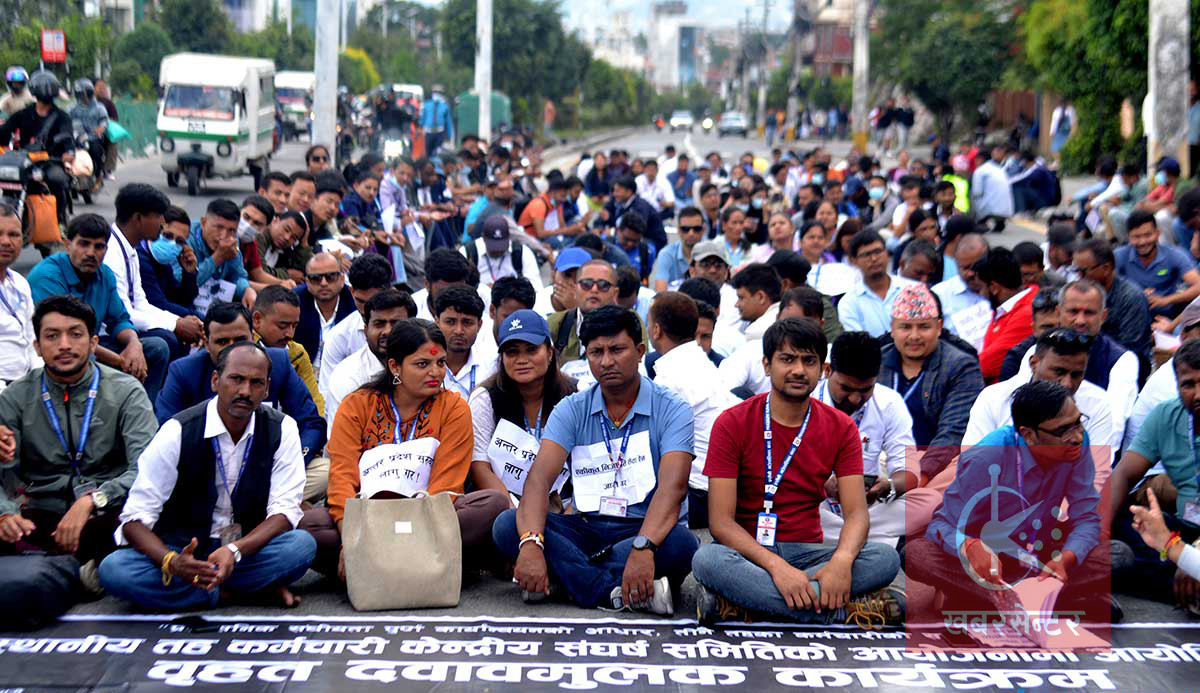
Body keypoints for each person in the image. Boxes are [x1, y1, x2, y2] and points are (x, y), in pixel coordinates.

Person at [692, 319, 902, 625]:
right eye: (787, 359)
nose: (799, 370)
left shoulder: (841, 428)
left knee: (885, 559)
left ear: (821, 369)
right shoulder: (732, 422)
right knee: (707, 560)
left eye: (809, 361)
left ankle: (745, 605)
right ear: (767, 365)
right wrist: (778, 569)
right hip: (749, 554)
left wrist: (842, 562)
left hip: (810, 551)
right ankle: (837, 609)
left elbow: (856, 513)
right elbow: (721, 523)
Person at [496, 306, 698, 612]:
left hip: (643, 528)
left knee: (683, 545)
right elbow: (538, 481)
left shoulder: (672, 409)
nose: (606, 362)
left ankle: (566, 578)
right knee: (507, 524)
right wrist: (532, 542)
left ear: (640, 350)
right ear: (586, 356)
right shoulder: (572, 408)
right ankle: (614, 592)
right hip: (585, 528)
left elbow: (674, 489)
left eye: (617, 350)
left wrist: (643, 547)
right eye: (596, 352)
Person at [98, 342, 316, 610]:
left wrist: (234, 551)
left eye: (256, 383)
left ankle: (197, 592)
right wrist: (171, 562)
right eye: (236, 379)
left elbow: (284, 512)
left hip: (243, 550)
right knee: (115, 569)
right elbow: (134, 520)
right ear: (216, 380)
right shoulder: (177, 431)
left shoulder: (282, 428)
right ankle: (243, 594)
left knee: (301, 547)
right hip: (182, 549)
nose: (245, 391)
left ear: (267, 388)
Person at [307, 319, 509, 579]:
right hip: (368, 519)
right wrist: (351, 538)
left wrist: (406, 527)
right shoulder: (356, 406)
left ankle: (375, 570)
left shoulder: (454, 408)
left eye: (441, 362)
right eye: (422, 364)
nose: (436, 373)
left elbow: (446, 487)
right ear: (394, 366)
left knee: (493, 504)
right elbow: (342, 478)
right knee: (309, 526)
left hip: (430, 520)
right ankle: (427, 569)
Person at [0, 296, 157, 627]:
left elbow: (146, 470)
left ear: (94, 342)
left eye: (75, 334)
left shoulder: (126, 391)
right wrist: (5, 513)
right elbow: (3, 474)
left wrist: (91, 500)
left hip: (105, 513)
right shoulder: (15, 397)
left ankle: (58, 573)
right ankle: (75, 575)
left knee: (142, 533)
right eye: (52, 336)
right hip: (38, 514)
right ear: (37, 346)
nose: (65, 345)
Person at [906, 381, 1111, 623]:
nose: (1077, 437)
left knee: (1115, 554)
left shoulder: (1076, 445)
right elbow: (941, 526)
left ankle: (993, 601)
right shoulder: (987, 455)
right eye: (1063, 430)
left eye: (1079, 422)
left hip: (1042, 556)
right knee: (916, 554)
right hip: (989, 563)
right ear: (1028, 435)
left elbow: (1086, 517)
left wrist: (1068, 557)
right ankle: (1052, 600)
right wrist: (969, 546)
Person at [155, 302, 327, 503]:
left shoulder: (278, 363)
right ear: (206, 342)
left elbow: (312, 423)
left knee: (325, 472)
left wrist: (293, 462)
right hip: (206, 475)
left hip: (270, 467)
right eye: (222, 341)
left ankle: (273, 504)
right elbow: (167, 429)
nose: (233, 348)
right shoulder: (184, 372)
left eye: (240, 339)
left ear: (253, 336)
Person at [878, 284, 984, 533]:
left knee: (960, 472)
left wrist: (917, 478)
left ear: (939, 327)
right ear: (892, 329)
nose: (914, 336)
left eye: (923, 327)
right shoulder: (877, 362)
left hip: (933, 466)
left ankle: (882, 521)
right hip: (882, 461)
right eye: (905, 327)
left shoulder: (961, 366)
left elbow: (951, 434)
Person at [29, 214, 169, 402]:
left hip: (93, 345)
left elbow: (119, 319)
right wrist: (121, 361)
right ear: (67, 245)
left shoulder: (104, 274)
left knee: (157, 348)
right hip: (61, 349)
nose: (91, 253)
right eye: (84, 244)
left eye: (99, 247)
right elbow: (68, 335)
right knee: (88, 362)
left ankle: (145, 416)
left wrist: (134, 345)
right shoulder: (48, 276)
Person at [966, 329, 1118, 475]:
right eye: (1059, 372)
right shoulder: (993, 399)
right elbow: (972, 467)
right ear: (1034, 363)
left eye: (1077, 375)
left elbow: (1096, 477)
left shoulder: (1099, 405)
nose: (1067, 383)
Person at [817, 332, 916, 546]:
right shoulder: (806, 399)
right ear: (827, 371)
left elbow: (909, 471)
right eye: (846, 388)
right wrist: (822, 485)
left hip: (870, 508)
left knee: (929, 502)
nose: (855, 399)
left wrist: (888, 486)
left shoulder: (889, 403)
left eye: (865, 390)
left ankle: (853, 537)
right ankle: (867, 541)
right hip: (818, 506)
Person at [649, 292, 736, 531]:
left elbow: (653, 447)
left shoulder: (669, 378)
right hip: (719, 491)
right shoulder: (702, 363)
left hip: (696, 498)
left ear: (656, 330)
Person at [468, 310, 577, 502]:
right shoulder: (485, 399)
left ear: (550, 353)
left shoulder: (575, 395)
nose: (521, 360)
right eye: (512, 352)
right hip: (506, 506)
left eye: (531, 349)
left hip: (565, 505)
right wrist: (514, 513)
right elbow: (480, 467)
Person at [1014, 281, 1138, 446]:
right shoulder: (1035, 352)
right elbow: (1019, 404)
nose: (1080, 320)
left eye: (1089, 313)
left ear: (1103, 317)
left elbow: (1113, 430)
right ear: (1058, 313)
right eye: (1073, 311)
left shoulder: (1122, 361)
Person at [105, 184, 204, 361]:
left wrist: (179, 322)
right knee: (164, 342)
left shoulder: (131, 249)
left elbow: (141, 303)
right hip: (107, 333)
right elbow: (124, 313)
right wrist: (176, 324)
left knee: (173, 334)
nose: (161, 224)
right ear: (138, 218)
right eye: (158, 217)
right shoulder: (111, 252)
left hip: (128, 325)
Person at [324, 289, 416, 434]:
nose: (387, 331)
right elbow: (340, 445)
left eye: (396, 323)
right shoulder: (347, 376)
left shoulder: (430, 366)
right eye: (379, 324)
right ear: (366, 330)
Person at [316, 254, 399, 396]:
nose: (366, 310)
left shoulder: (415, 328)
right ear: (351, 291)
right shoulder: (338, 336)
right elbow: (327, 392)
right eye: (360, 301)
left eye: (374, 302)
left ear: (391, 292)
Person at [0, 71, 73, 218]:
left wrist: (68, 154)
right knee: (7, 179)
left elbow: (68, 139)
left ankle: (59, 221)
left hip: (50, 161)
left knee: (57, 179)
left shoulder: (61, 117)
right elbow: (5, 132)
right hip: (25, 161)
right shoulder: (24, 114)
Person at [1071, 237, 1153, 362]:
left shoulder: (1131, 298)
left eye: (1083, 271)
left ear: (1106, 269)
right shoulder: (1081, 292)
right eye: (1076, 271)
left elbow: (1130, 351)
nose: (1079, 277)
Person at [252, 286, 323, 414]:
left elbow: (313, 403)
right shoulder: (239, 350)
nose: (289, 334)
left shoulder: (297, 353)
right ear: (257, 319)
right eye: (282, 326)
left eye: (294, 326)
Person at [1116, 210, 1200, 318]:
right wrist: (1135, 293)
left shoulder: (1174, 254)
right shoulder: (1119, 256)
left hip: (1168, 315)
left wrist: (1166, 300)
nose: (1143, 241)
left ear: (1157, 233)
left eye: (1148, 235)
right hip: (1132, 314)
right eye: (1136, 237)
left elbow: (1198, 286)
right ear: (1129, 237)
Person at [976, 247, 1038, 382]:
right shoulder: (1006, 307)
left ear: (994, 288)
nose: (980, 294)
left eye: (981, 288)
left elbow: (986, 365)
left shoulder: (1027, 312)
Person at [838, 230, 915, 338]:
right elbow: (861, 344)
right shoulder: (848, 303)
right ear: (853, 261)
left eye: (878, 251)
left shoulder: (913, 290)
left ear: (887, 253)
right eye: (866, 255)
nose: (874, 259)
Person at [546, 259, 623, 364]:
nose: (594, 289)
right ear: (575, 289)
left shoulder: (629, 323)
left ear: (615, 293)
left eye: (603, 285)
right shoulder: (555, 323)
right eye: (586, 284)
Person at [188, 199, 255, 314]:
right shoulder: (187, 239)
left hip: (215, 304)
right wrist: (218, 258)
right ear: (203, 223)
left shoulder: (232, 239)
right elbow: (183, 285)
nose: (224, 235)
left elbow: (238, 274)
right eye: (219, 227)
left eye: (231, 230)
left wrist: (246, 289)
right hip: (186, 305)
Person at [294, 253, 356, 370]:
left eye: (331, 276)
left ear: (342, 279)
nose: (323, 283)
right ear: (307, 282)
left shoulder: (354, 302)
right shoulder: (294, 301)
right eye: (315, 278)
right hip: (304, 375)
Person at [434, 286, 497, 399]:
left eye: (467, 322)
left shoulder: (493, 366)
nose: (458, 331)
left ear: (479, 325)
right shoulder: (421, 365)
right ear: (437, 322)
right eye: (450, 322)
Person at [138, 205, 200, 318]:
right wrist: (197, 318)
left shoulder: (164, 264)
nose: (172, 243)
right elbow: (158, 304)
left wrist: (189, 273)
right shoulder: (140, 257)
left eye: (179, 241)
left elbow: (182, 299)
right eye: (168, 236)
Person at [0, 203, 37, 385]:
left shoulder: (20, 283)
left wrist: (41, 382)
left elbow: (31, 339)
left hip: (24, 384)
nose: (6, 242)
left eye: (13, 234)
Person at [998, 290, 1062, 381]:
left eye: (1061, 326)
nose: (1055, 333)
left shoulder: (1084, 351)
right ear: (1034, 329)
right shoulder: (1016, 359)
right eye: (1048, 328)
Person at [463, 216, 542, 289]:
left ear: (509, 238)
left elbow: (536, 288)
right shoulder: (468, 252)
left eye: (501, 246)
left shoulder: (522, 253)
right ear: (483, 238)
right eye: (493, 246)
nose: (498, 251)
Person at [600, 175, 668, 250]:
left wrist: (613, 232)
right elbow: (604, 217)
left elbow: (636, 229)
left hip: (651, 240)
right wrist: (600, 228)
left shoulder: (640, 206)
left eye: (618, 191)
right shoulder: (617, 200)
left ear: (629, 192)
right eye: (614, 191)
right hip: (628, 236)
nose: (614, 194)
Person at [653, 206, 706, 292]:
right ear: (678, 230)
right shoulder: (666, 254)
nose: (691, 233)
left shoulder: (713, 252)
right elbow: (660, 293)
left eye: (696, 229)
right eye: (685, 229)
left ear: (704, 229)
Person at [256, 211, 312, 287]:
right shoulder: (259, 236)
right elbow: (259, 272)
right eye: (286, 229)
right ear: (275, 221)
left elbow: (306, 270)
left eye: (294, 237)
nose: (287, 237)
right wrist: (286, 275)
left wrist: (304, 243)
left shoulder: (285, 249)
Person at [969, 143, 1014, 232]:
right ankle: (999, 223)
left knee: (972, 194)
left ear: (980, 159)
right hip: (1007, 209)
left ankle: (979, 221)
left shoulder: (980, 170)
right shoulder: (999, 169)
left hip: (990, 210)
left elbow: (977, 192)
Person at [731, 263, 782, 340]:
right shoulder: (785, 312)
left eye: (741, 298)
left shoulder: (756, 332)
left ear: (761, 297)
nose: (736, 304)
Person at [68, 78, 108, 176]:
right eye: (80, 94)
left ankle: (99, 174)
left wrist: (101, 128)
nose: (82, 97)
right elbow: (66, 119)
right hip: (77, 138)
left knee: (96, 151)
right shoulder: (73, 108)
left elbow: (104, 120)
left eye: (83, 94)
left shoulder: (99, 107)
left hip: (93, 137)